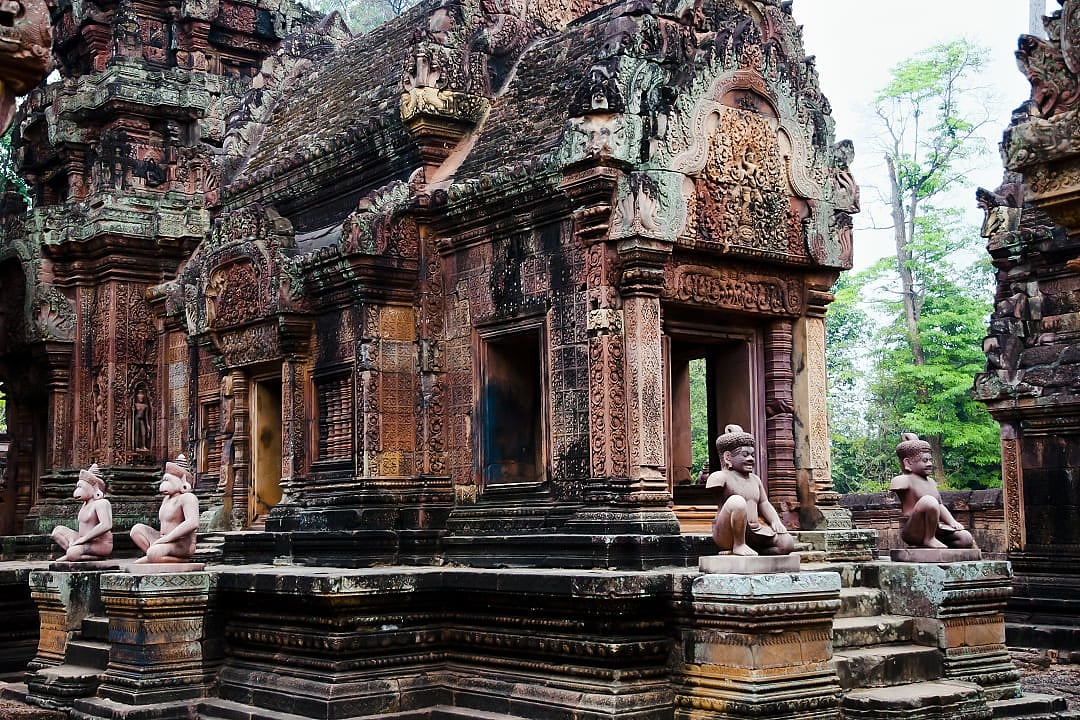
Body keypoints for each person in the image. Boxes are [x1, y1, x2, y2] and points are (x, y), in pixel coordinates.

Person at [706, 424, 794, 556]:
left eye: (752, 455)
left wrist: (775, 521)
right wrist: (717, 475)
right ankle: (738, 545)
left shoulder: (755, 480)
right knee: (737, 502)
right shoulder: (721, 477)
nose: (751, 459)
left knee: (787, 542)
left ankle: (755, 552)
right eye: (745, 455)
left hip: (755, 531)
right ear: (728, 457)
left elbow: (764, 503)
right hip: (727, 533)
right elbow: (712, 484)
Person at [890, 433, 975, 550]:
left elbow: (939, 505)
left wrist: (952, 522)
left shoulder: (931, 482)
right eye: (924, 460)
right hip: (914, 530)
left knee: (965, 538)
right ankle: (928, 539)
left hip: (936, 528)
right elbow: (931, 504)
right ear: (908, 462)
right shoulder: (902, 480)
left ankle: (932, 539)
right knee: (928, 501)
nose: (929, 464)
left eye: (930, 460)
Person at [130, 454, 200, 563]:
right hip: (163, 540)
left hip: (181, 543)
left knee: (153, 553)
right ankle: (154, 556)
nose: (164, 483)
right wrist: (161, 540)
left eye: (167, 480)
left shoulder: (187, 497)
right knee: (136, 530)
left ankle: (169, 559)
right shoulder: (166, 499)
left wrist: (166, 539)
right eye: (164, 480)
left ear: (182, 480)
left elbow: (193, 522)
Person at [52, 463, 114, 561]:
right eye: (78, 487)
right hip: (85, 541)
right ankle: (73, 552)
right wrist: (74, 541)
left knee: (73, 553)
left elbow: (106, 525)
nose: (77, 491)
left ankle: (79, 555)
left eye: (81, 487)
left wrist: (82, 540)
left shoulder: (101, 503)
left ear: (93, 488)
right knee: (57, 531)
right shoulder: (85, 504)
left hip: (100, 543)